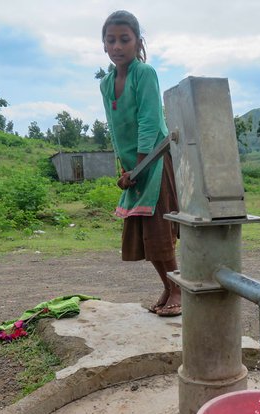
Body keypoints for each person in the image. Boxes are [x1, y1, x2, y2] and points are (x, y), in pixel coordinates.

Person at [100, 10, 181, 317]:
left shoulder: (143, 73)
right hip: (134, 166)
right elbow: (115, 128)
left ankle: (178, 288)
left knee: (159, 230)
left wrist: (140, 165)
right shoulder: (106, 84)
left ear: (137, 42)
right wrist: (124, 168)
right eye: (111, 40)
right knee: (147, 234)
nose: (118, 46)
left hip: (155, 159)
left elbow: (149, 120)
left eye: (125, 39)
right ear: (104, 45)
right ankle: (169, 286)